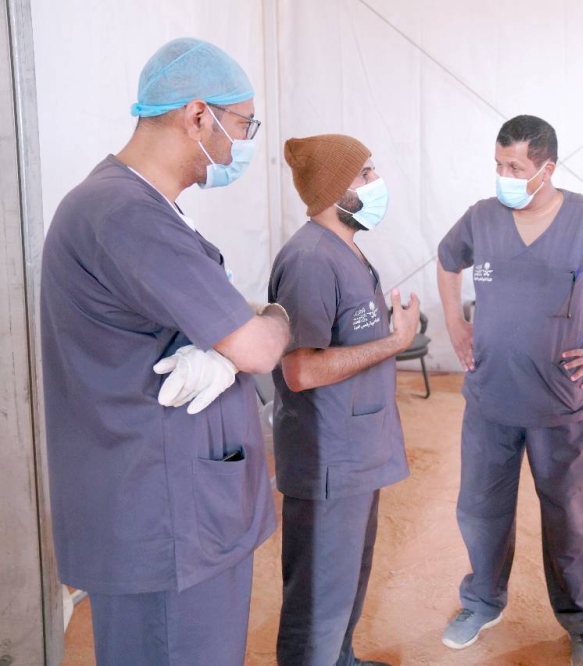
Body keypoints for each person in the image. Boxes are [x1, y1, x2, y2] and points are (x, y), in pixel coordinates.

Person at [40, 38, 290, 665]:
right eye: (243, 124)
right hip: (165, 518)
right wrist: (271, 321)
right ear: (198, 115)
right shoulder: (126, 213)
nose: (244, 143)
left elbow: (222, 322)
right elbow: (257, 346)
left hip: (173, 501)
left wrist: (234, 341)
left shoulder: (141, 205)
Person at [437, 114, 583, 666]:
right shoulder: (482, 218)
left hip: (559, 403)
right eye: (498, 165)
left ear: (547, 169)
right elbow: (447, 261)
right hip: (491, 399)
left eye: (515, 166)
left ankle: (582, 620)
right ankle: (481, 602)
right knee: (481, 511)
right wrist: (454, 322)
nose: (504, 176)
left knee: (568, 519)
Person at [270, 134, 419, 666]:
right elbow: (301, 369)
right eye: (366, 174)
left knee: (348, 577)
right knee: (318, 597)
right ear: (335, 188)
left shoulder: (346, 249)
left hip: (356, 451)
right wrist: (396, 342)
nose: (378, 183)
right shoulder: (310, 259)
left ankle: (342, 659)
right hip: (328, 457)